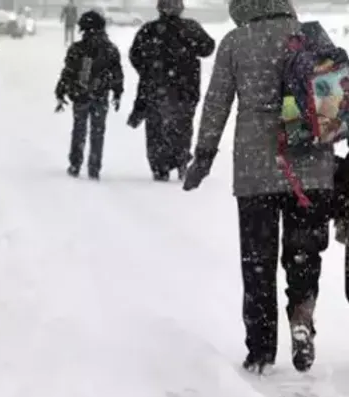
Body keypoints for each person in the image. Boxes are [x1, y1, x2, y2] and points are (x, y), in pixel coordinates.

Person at [182, 0, 334, 374]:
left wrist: (203, 155)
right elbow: (333, 99)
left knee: (257, 262)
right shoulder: (311, 36)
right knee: (304, 253)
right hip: (311, 166)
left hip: (256, 169)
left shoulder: (237, 42)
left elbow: (217, 102)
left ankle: (261, 350)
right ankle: (302, 314)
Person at [129, 0, 214, 181]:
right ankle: (181, 159)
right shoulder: (190, 28)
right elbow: (207, 48)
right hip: (186, 89)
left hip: (155, 88)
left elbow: (135, 56)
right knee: (182, 126)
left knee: (156, 129)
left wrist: (149, 70)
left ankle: (160, 167)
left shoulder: (149, 30)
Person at [55, 10, 123, 180]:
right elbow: (117, 73)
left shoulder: (77, 48)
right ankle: (94, 166)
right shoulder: (110, 49)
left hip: (81, 94)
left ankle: (75, 163)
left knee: (79, 130)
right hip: (100, 95)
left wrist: (61, 91)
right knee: (97, 132)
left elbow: (68, 72)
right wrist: (117, 92)